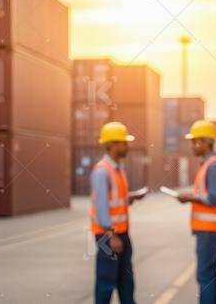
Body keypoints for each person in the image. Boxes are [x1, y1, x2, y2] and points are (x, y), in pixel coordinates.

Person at [90, 121, 147, 304]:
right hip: (108, 236)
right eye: (123, 142)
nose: (127, 146)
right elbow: (101, 207)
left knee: (126, 283)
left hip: (122, 233)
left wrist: (131, 197)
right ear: (112, 145)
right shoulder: (102, 172)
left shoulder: (117, 169)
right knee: (106, 284)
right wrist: (111, 236)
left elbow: (114, 200)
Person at [176, 120, 216, 304]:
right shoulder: (209, 164)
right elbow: (208, 194)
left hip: (210, 229)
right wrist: (192, 195)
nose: (192, 145)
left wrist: (189, 198)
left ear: (206, 142)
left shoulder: (213, 165)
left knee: (205, 275)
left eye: (195, 141)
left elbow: (213, 198)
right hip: (211, 229)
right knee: (212, 274)